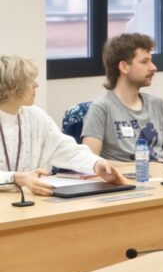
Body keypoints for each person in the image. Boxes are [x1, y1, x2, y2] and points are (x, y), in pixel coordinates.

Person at [0, 54, 127, 196]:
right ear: (12, 86)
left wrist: (96, 164)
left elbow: (66, 149)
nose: (36, 85)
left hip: (33, 199)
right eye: (29, 81)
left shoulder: (35, 116)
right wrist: (17, 178)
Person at [82, 33, 163, 162]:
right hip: (128, 175)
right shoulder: (101, 107)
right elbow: (91, 161)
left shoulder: (158, 104)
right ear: (124, 67)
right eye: (144, 62)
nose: (154, 67)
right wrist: (137, 169)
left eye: (151, 61)